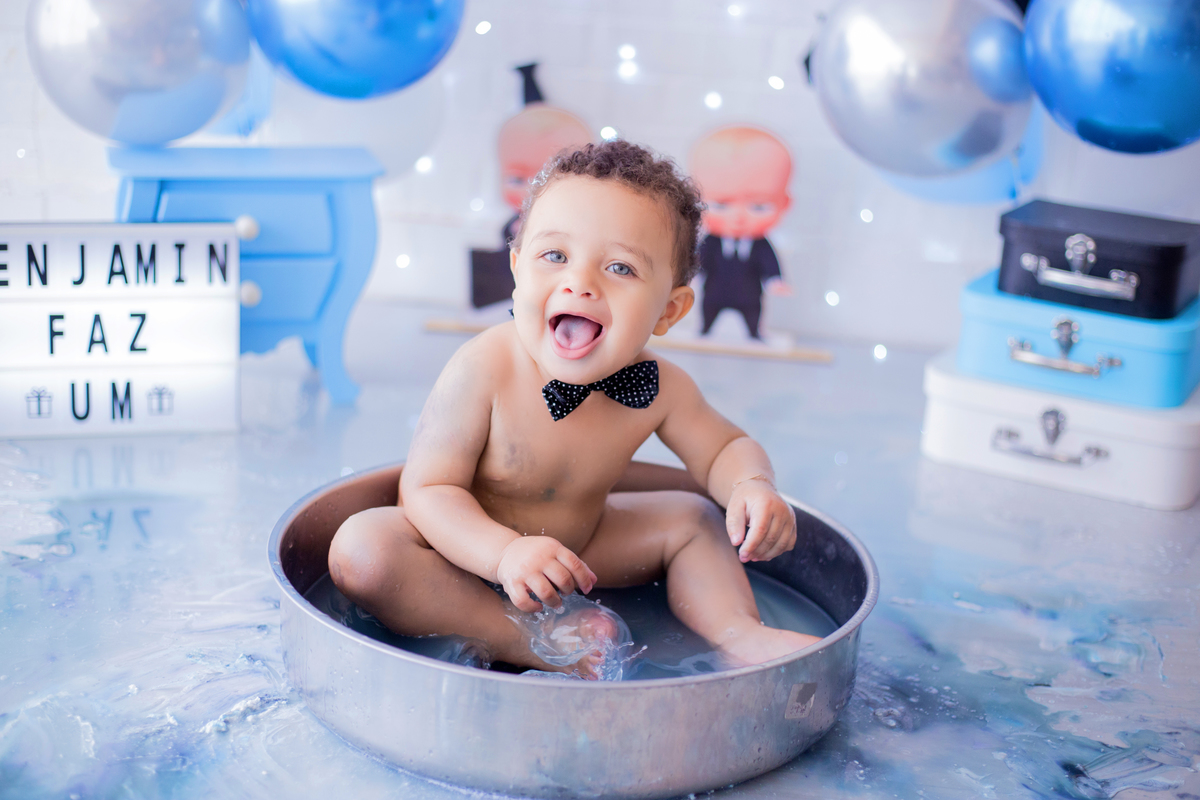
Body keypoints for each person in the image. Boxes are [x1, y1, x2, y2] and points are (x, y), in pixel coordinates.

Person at [329, 141, 822, 679]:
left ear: (670, 310)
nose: (580, 283)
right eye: (555, 256)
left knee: (696, 518)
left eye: (619, 267)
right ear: (517, 270)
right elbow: (426, 490)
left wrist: (751, 484)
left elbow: (723, 447)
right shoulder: (484, 367)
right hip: (461, 556)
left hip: (582, 552)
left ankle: (738, 635)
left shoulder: (660, 387)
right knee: (364, 550)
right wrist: (503, 555)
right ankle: (524, 638)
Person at [689, 126, 794, 339]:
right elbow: (700, 260)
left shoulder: (761, 245)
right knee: (708, 311)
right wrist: (691, 276)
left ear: (784, 205)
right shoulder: (711, 242)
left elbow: (769, 263)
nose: (738, 217)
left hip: (749, 295)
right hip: (715, 292)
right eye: (721, 205)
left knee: (753, 314)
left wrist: (775, 281)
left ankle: (754, 333)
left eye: (758, 206)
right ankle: (705, 329)